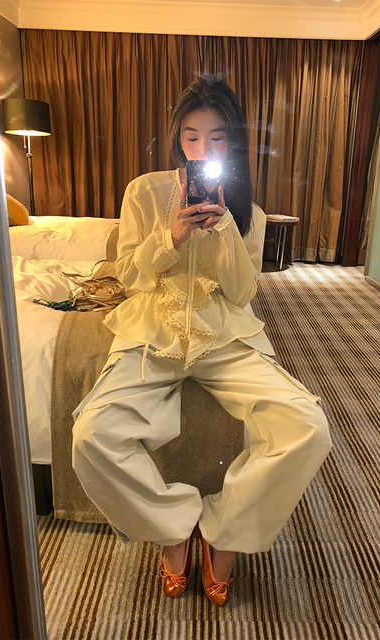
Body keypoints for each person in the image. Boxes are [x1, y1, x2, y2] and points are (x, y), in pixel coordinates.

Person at [72, 77, 332, 607]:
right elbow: (129, 277)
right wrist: (172, 235)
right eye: (191, 137)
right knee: (91, 435)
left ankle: (223, 531)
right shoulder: (144, 191)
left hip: (221, 334)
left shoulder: (249, 211)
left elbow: (241, 294)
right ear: (178, 138)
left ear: (232, 141)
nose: (202, 150)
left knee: (306, 425)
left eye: (216, 138)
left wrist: (227, 228)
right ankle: (173, 528)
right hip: (153, 328)